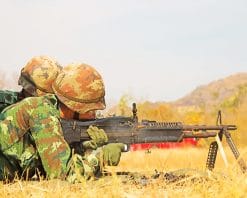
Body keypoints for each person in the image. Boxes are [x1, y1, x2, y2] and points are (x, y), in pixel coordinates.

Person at [0, 63, 124, 182]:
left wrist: (84, 147)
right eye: (91, 109)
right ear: (75, 106)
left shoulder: (53, 113)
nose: (94, 115)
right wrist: (101, 157)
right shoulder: (41, 112)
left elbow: (47, 162)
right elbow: (63, 174)